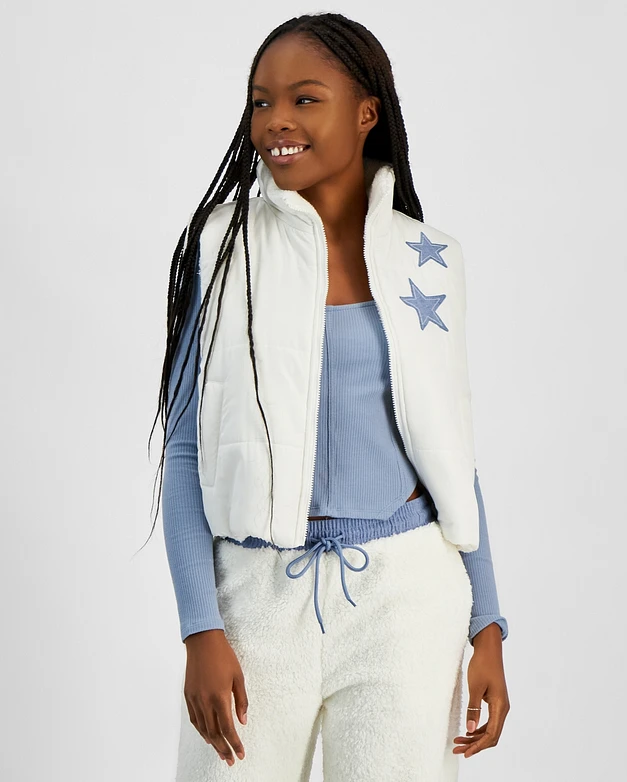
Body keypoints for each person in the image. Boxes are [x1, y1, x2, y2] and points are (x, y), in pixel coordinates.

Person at [150, 12, 510, 781]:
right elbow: (184, 448)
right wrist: (199, 627)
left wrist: (488, 623)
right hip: (257, 597)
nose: (275, 120)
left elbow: (453, 455)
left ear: (366, 112)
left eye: (304, 99)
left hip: (406, 598)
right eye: (261, 101)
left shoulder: (429, 260)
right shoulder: (225, 249)